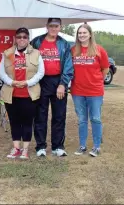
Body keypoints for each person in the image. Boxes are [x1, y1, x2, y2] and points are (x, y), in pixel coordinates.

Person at [0, 27, 45, 159]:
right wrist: (11, 82)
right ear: (15, 39)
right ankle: (16, 148)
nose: (22, 39)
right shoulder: (7, 53)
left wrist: (28, 83)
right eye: (19, 37)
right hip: (12, 94)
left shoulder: (36, 53)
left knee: (27, 122)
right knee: (14, 121)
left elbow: (41, 72)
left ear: (28, 39)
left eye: (25, 37)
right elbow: (1, 72)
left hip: (29, 94)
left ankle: (25, 150)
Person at [30, 18, 74, 157]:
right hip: (41, 81)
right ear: (46, 27)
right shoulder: (37, 42)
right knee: (40, 115)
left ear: (60, 27)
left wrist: (63, 84)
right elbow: (28, 60)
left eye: (56, 26)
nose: (54, 29)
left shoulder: (64, 44)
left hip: (58, 81)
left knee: (59, 115)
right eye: (51, 26)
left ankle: (58, 146)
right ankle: (40, 146)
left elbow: (68, 65)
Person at [70, 24, 109, 157]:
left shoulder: (99, 50)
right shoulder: (73, 50)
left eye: (84, 33)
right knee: (82, 119)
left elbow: (105, 68)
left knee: (95, 119)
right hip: (78, 91)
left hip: (95, 92)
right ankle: (82, 146)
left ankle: (97, 146)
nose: (82, 35)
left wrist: (97, 81)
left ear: (90, 34)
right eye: (79, 33)